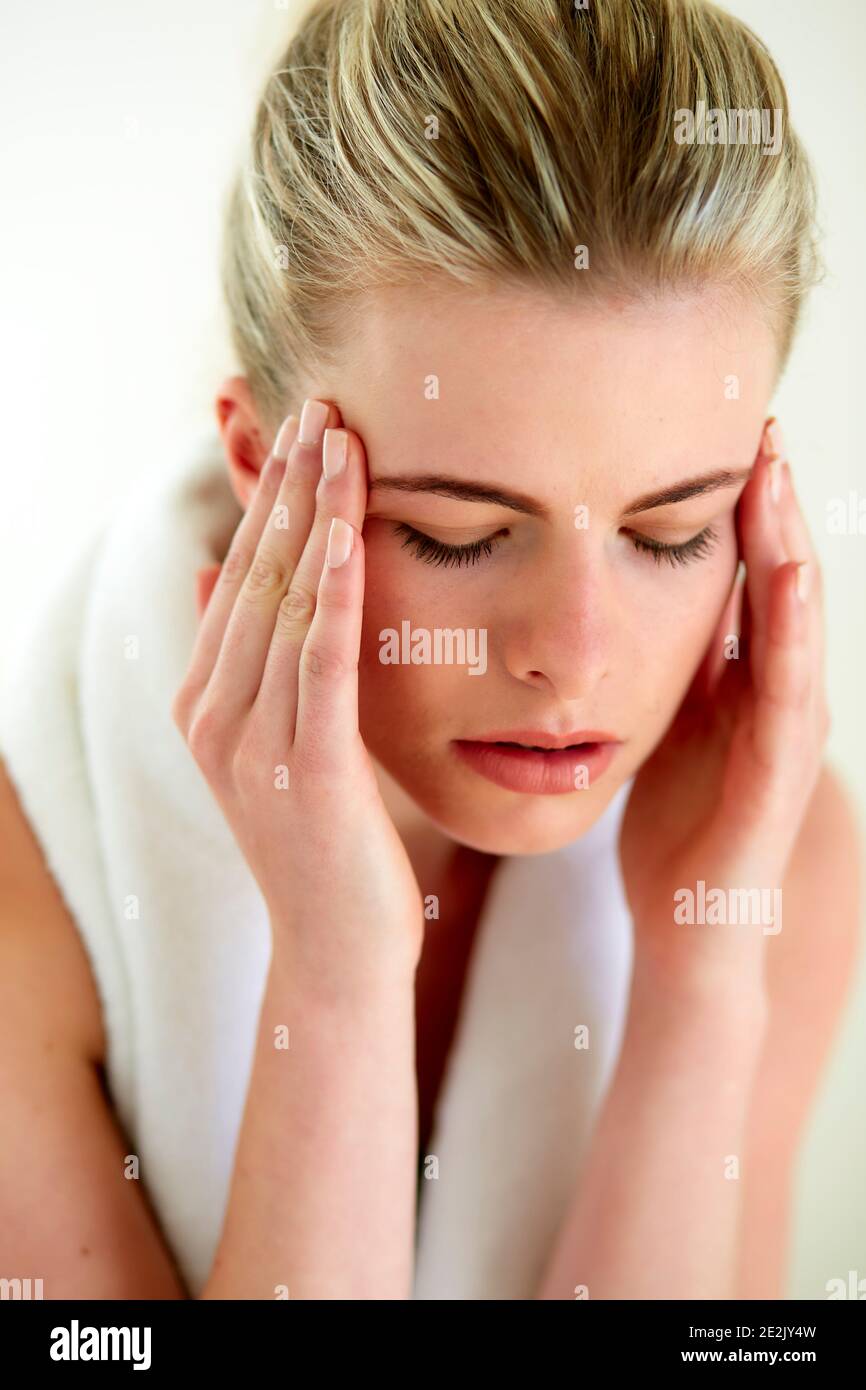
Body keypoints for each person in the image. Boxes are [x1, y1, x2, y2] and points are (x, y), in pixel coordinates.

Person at [0, 0, 860, 1300]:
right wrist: (336, 981)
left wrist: (697, 974)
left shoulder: (767, 847)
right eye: (459, 533)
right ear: (256, 467)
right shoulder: (30, 894)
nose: (574, 661)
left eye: (672, 530)